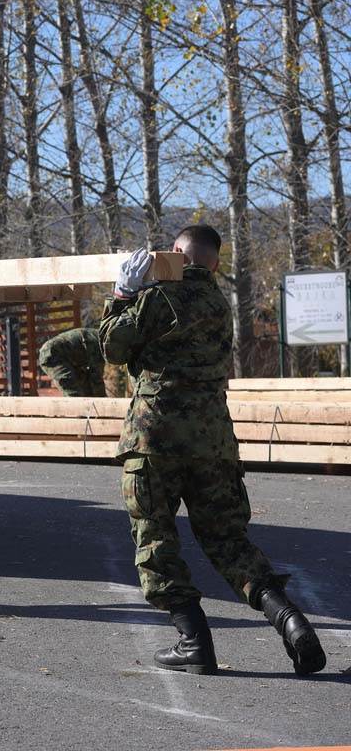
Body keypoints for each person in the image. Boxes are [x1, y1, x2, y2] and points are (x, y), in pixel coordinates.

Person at [99, 229, 325, 676]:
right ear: (215, 265)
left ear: (175, 258)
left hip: (156, 439)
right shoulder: (219, 306)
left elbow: (111, 345)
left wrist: (124, 292)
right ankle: (287, 616)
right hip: (213, 440)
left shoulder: (157, 299)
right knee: (228, 540)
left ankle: (193, 641)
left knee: (155, 539)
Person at [37, 327, 105, 397]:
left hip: (69, 360)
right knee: (73, 392)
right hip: (52, 354)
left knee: (85, 389)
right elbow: (96, 378)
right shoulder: (97, 343)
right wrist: (103, 401)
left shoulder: (101, 339)